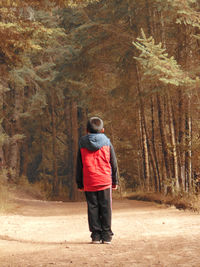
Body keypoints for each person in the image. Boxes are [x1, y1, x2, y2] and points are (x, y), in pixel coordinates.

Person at [76, 117, 119, 244]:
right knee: (106, 208)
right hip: (105, 180)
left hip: (89, 180)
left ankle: (95, 235)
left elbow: (79, 164)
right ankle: (106, 236)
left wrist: (80, 182)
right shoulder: (107, 142)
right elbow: (114, 163)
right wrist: (114, 181)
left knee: (92, 207)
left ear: (87, 130)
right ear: (103, 130)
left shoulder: (82, 143)